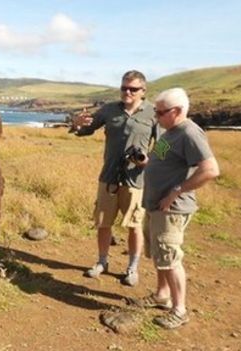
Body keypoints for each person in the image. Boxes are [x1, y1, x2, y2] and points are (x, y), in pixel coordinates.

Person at [134, 87, 219, 329]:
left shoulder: (190, 133)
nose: (157, 117)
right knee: (160, 254)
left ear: (178, 111)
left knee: (170, 258)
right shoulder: (168, 133)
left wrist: (176, 191)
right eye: (156, 112)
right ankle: (162, 295)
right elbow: (155, 160)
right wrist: (143, 161)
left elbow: (210, 169)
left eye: (161, 112)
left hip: (171, 209)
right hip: (154, 205)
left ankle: (179, 309)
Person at [71, 70, 158, 286]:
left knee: (134, 225)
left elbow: (164, 143)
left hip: (136, 180)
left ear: (143, 92)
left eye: (133, 89)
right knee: (103, 223)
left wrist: (149, 161)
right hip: (109, 177)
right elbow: (85, 130)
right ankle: (102, 262)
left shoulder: (154, 113)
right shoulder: (109, 110)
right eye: (124, 88)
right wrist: (77, 123)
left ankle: (132, 268)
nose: (127, 92)